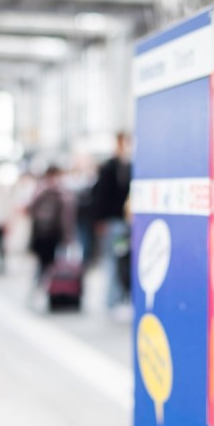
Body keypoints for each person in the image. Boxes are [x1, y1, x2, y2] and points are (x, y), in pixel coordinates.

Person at [91, 132, 132, 310]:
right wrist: (100, 220)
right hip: (113, 223)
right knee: (113, 260)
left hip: (120, 223)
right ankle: (111, 301)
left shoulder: (125, 166)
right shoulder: (111, 168)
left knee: (118, 260)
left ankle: (115, 299)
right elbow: (100, 197)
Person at [27, 165, 72, 283]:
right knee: (45, 261)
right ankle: (42, 283)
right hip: (43, 232)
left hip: (53, 232)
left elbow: (67, 215)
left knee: (51, 262)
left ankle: (48, 285)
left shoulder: (60, 191)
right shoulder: (44, 190)